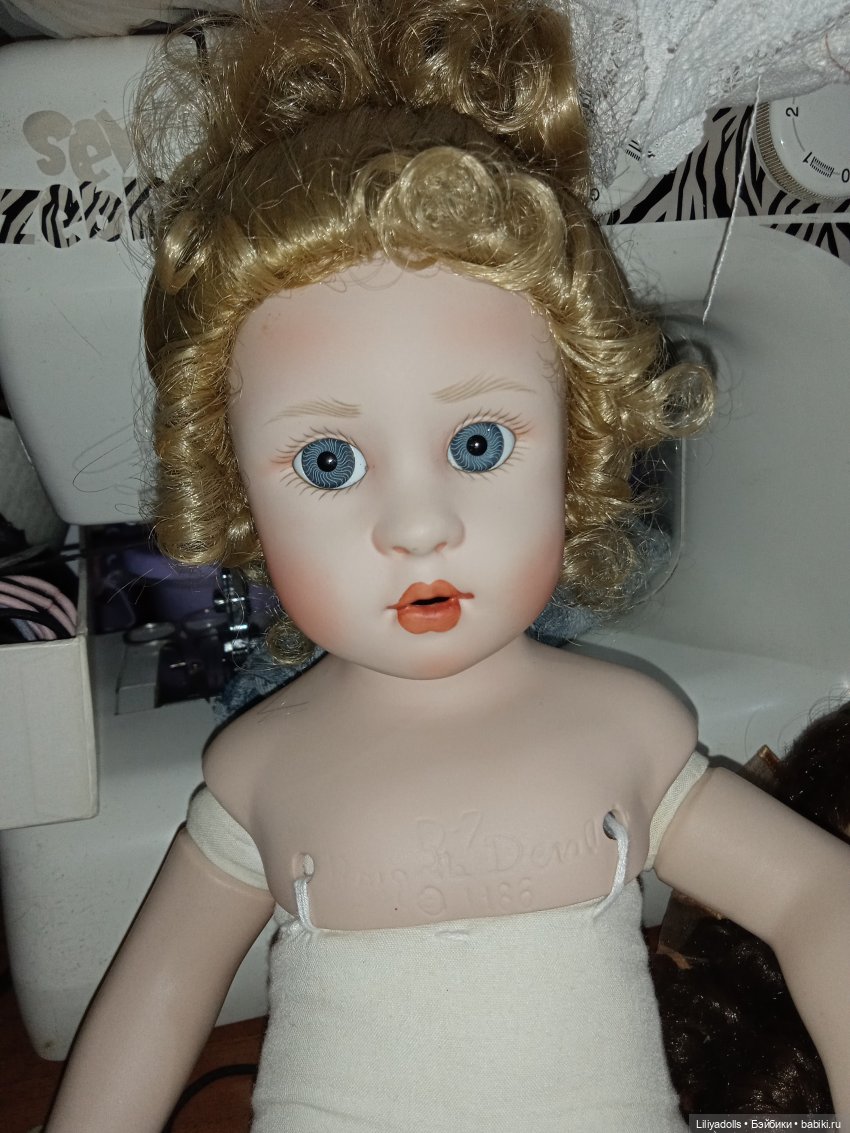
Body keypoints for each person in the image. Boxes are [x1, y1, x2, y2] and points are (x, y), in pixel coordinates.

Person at [45, 2, 850, 1130]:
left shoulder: (624, 731)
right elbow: (158, 997)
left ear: (579, 439)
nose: (417, 528)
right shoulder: (263, 769)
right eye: (328, 461)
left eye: (477, 445)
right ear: (233, 492)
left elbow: (816, 895)